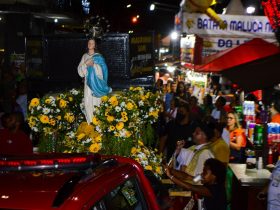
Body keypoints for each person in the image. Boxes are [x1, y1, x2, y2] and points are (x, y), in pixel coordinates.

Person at [78, 38, 112, 124]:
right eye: (89, 43)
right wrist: (85, 64)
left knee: (96, 102)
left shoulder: (98, 56)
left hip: (96, 84)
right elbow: (80, 70)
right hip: (87, 84)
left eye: (92, 43)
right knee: (87, 102)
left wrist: (93, 65)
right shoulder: (84, 56)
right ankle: (90, 122)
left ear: (95, 45)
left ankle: (98, 122)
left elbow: (103, 69)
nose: (90, 44)